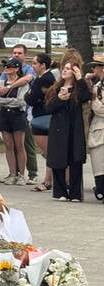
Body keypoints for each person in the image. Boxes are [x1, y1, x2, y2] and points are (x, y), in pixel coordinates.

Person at [45, 61, 90, 202]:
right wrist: (59, 99)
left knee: (75, 159)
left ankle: (76, 193)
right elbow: (48, 108)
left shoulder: (78, 88)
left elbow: (85, 97)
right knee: (58, 159)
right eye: (64, 68)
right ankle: (60, 192)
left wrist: (80, 78)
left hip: (74, 127)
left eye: (69, 69)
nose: (65, 71)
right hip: (58, 128)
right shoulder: (55, 88)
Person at [1, 44, 39, 184]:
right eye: (14, 52)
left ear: (25, 54)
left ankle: (32, 173)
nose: (16, 54)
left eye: (19, 53)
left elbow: (27, 79)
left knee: (25, 144)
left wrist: (9, 87)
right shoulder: (7, 68)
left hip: (25, 112)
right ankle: (14, 173)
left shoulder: (28, 69)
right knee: (10, 145)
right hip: (7, 113)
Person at [0, 57, 30, 185]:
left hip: (17, 115)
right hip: (4, 114)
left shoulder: (22, 83)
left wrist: (5, 100)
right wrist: (6, 101)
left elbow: (21, 101)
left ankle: (21, 174)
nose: (7, 69)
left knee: (19, 145)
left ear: (16, 68)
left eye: (10, 67)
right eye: (6, 67)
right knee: (8, 145)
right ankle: (12, 173)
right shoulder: (2, 82)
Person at [25, 53, 56, 192]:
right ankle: (50, 179)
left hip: (43, 117)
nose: (33, 66)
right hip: (41, 115)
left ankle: (48, 180)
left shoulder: (44, 79)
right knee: (49, 152)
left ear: (43, 65)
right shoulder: (41, 78)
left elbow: (31, 98)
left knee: (49, 152)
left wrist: (30, 94)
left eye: (35, 63)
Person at [88, 56, 104, 203]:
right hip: (99, 131)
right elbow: (97, 108)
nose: (94, 70)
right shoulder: (97, 86)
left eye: (97, 66)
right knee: (99, 167)